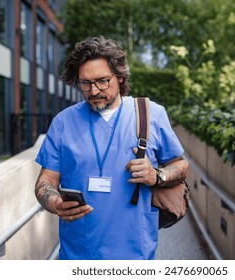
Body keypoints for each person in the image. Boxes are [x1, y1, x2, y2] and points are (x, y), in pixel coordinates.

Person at [34, 35, 189, 260]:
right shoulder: (63, 122)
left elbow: (181, 165)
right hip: (77, 255)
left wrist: (157, 175)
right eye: (85, 83)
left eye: (102, 81)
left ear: (120, 77)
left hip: (135, 255)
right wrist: (55, 203)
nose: (94, 90)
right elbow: (45, 181)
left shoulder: (150, 114)